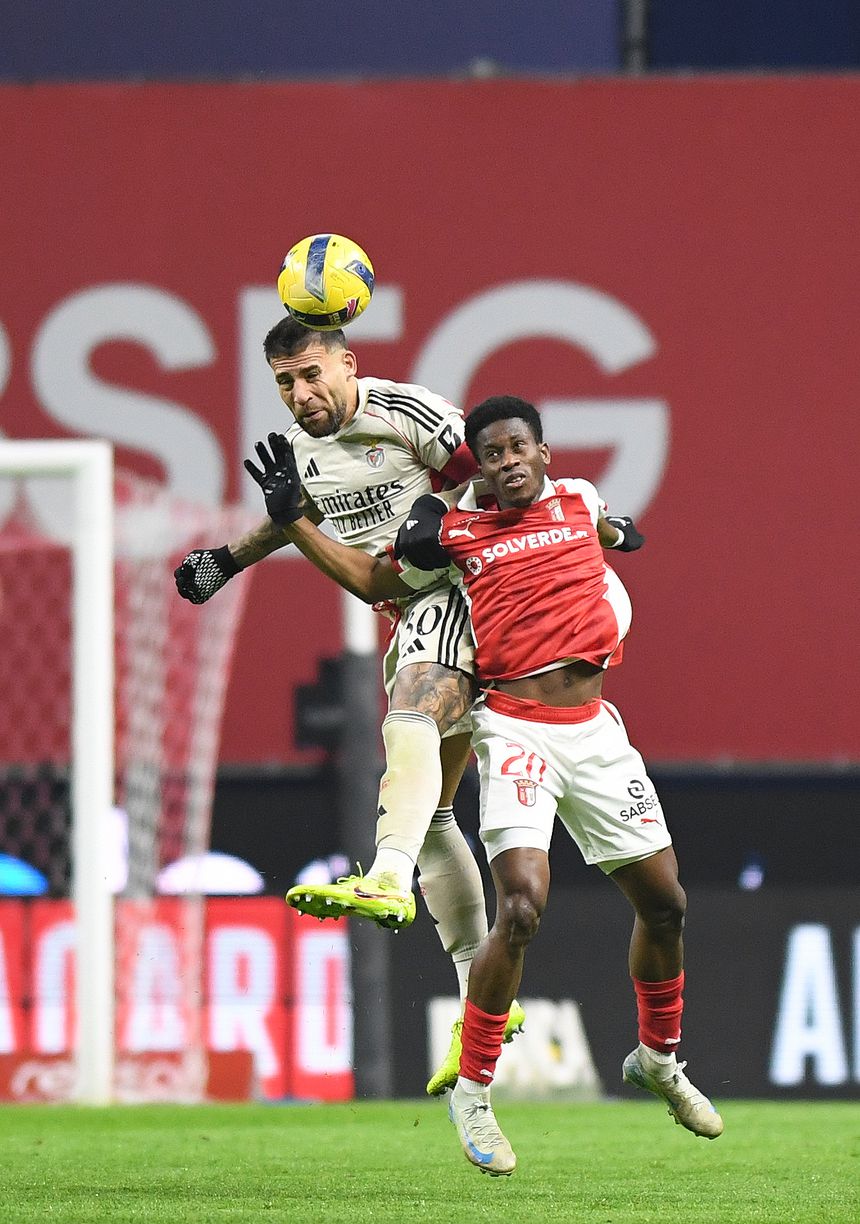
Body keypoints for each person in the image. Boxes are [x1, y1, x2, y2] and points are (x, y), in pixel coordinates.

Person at [264, 394, 724, 1175]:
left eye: (519, 448)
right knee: (521, 907)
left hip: (597, 734)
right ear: (479, 465)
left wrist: (619, 537)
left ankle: (658, 1059)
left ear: (543, 452)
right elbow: (375, 574)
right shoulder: (448, 532)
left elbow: (620, 531)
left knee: (667, 906)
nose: (508, 462)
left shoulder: (581, 499)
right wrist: (294, 523)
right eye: (494, 453)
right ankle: (474, 1091)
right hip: (513, 730)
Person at [173, 317, 524, 1094]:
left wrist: (452, 520)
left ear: (346, 363)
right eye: (285, 384)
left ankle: (388, 877)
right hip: (409, 611)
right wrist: (225, 560)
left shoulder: (405, 411)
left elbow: (498, 474)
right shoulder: (299, 456)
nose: (302, 395)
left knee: (406, 721)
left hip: (463, 594)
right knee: (430, 807)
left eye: (311, 374)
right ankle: (483, 1001)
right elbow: (295, 517)